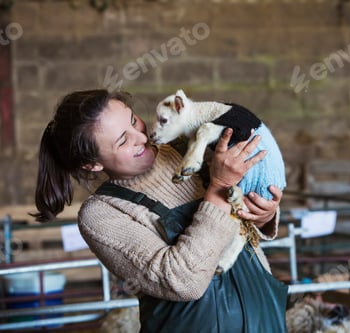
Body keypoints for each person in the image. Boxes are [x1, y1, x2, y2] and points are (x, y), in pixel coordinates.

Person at [32, 89, 289, 332]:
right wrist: (220, 188)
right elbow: (181, 281)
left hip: (265, 318)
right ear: (93, 164)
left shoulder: (187, 148)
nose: (143, 137)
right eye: (123, 140)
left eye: (134, 121)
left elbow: (243, 224)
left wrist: (263, 215)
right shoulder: (102, 214)